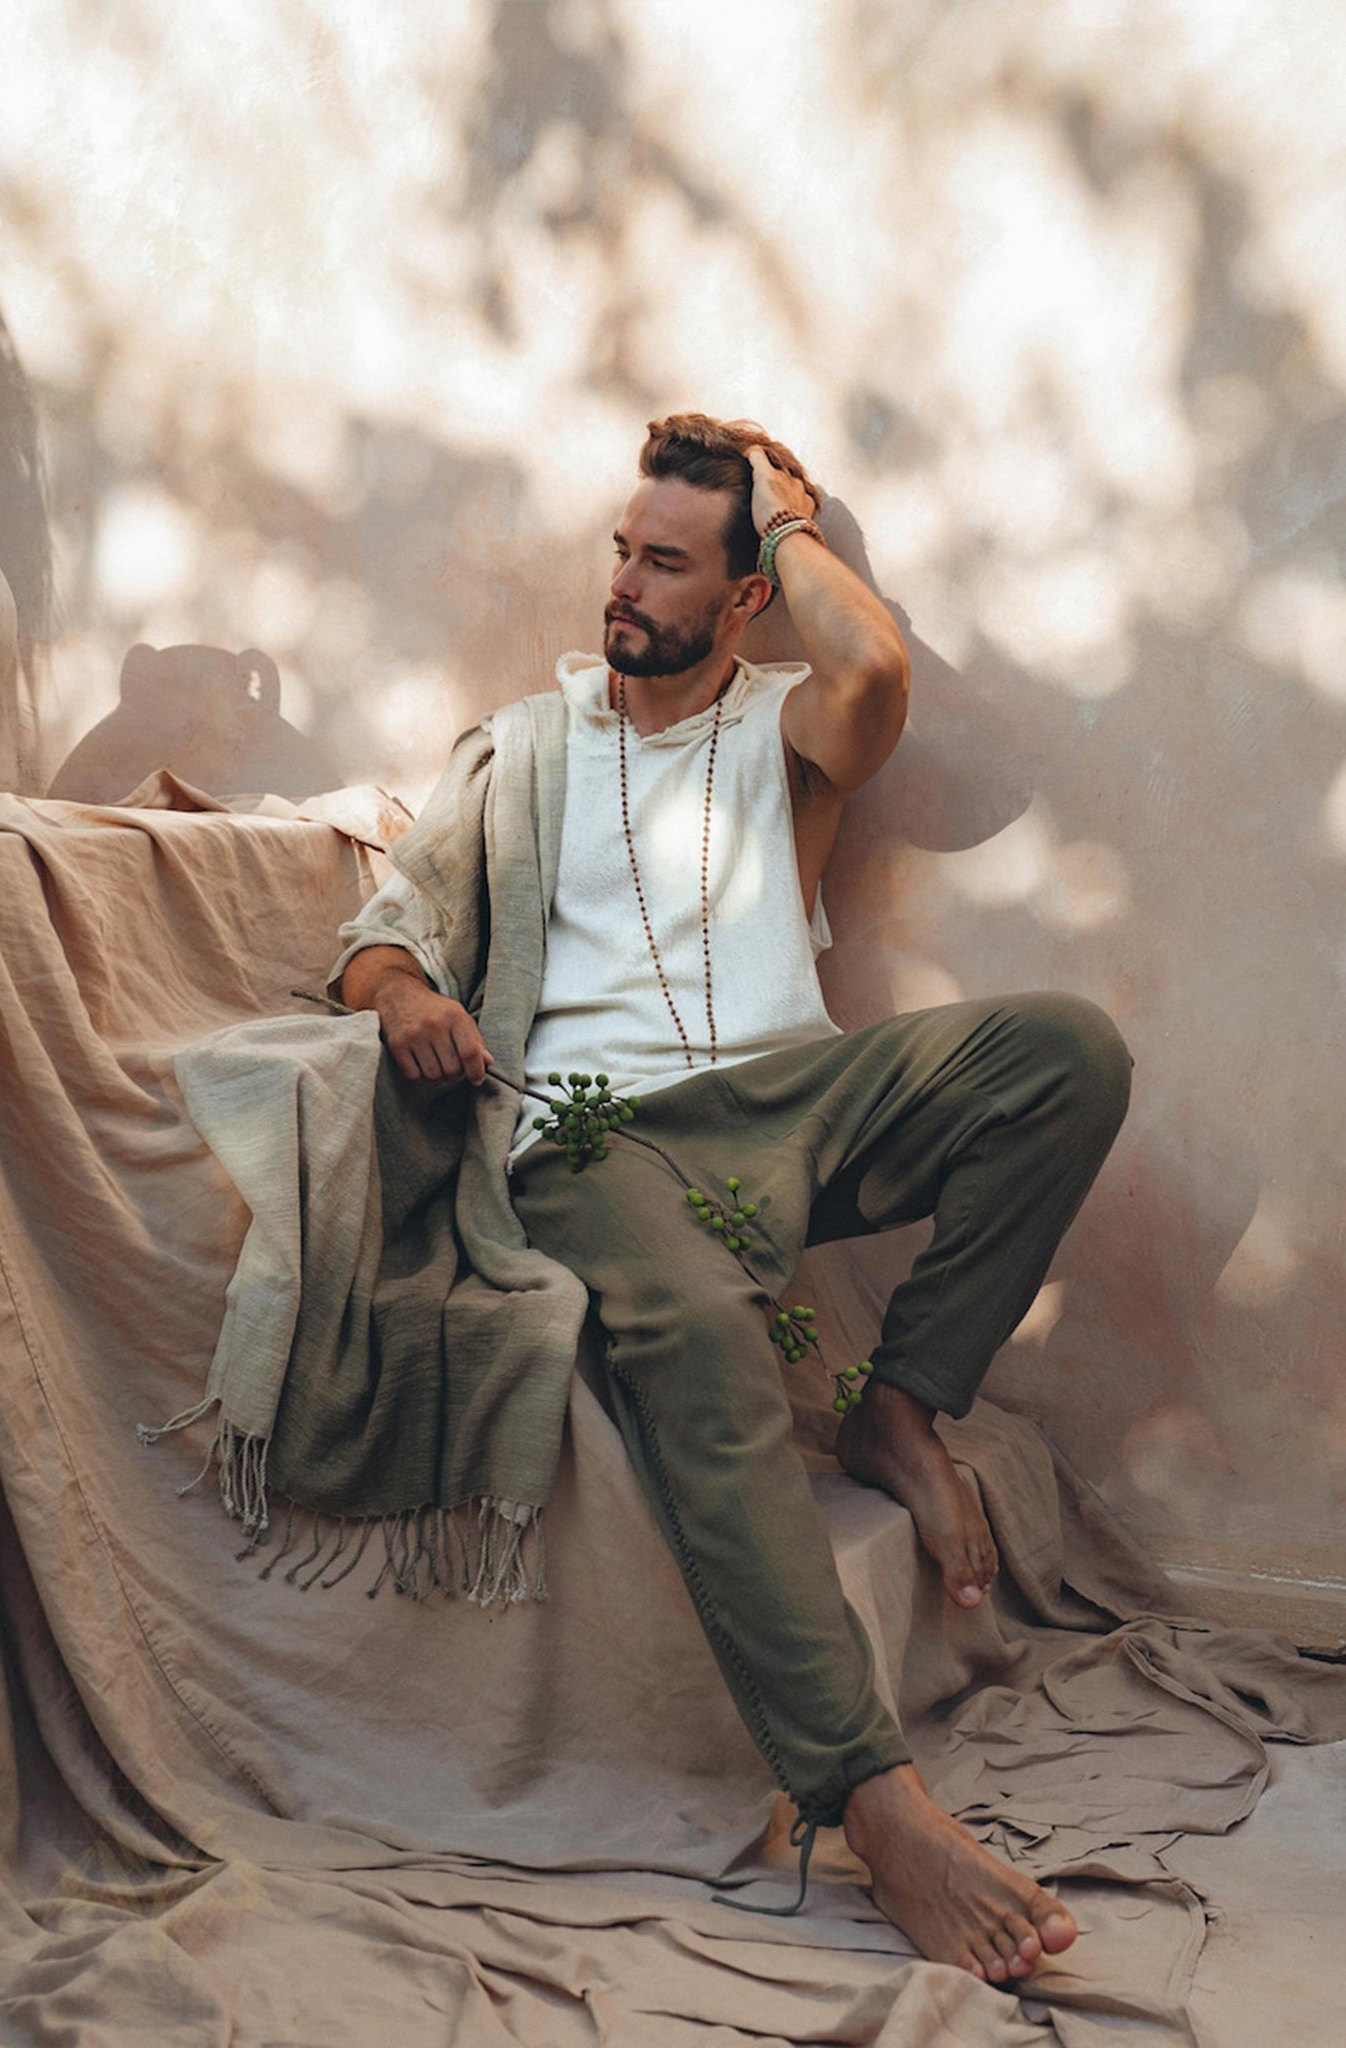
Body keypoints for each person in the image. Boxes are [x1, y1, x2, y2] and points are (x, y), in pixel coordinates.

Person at [338, 413, 1131, 1985]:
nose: (622, 585)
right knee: (699, 1334)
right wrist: (405, 999)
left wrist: (785, 514)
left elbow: (878, 669)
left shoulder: (787, 730)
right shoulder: (524, 745)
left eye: (666, 562)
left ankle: (899, 1404)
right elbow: (381, 934)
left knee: (1064, 1054)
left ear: (747, 591)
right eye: (621, 552)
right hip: (597, 1140)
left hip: (793, 1106)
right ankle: (872, 1801)